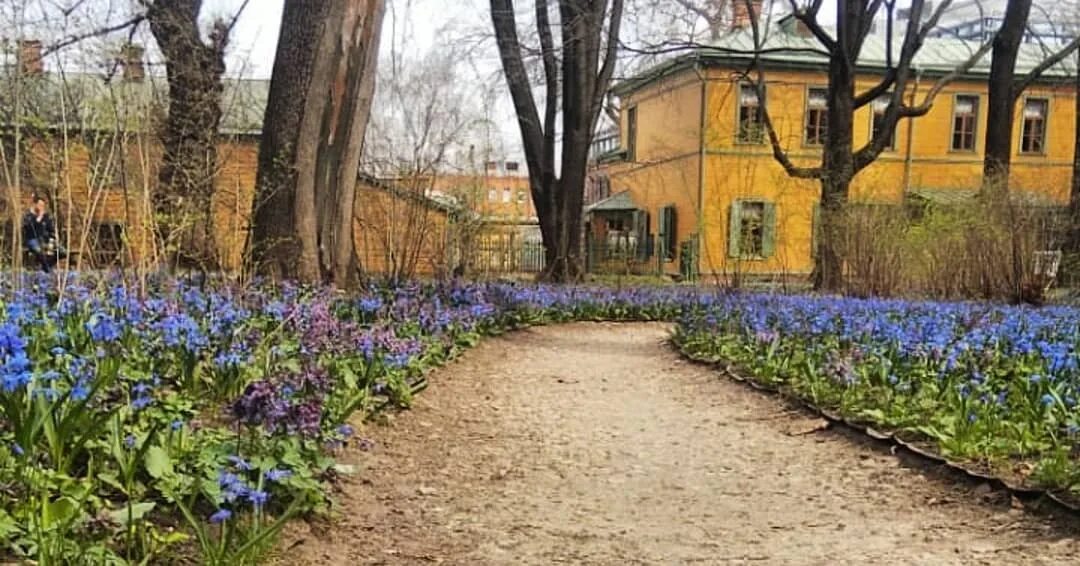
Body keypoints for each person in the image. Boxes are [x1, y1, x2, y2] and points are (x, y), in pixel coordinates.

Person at [22, 194, 60, 272]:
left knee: (60, 251)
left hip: (44, 239)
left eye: (43, 205)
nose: (41, 207)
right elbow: (28, 228)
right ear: (35, 205)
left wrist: (53, 238)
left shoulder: (46, 217)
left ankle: (48, 266)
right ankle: (47, 270)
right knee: (39, 251)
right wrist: (38, 219)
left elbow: (51, 229)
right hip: (32, 239)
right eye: (39, 205)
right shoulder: (29, 216)